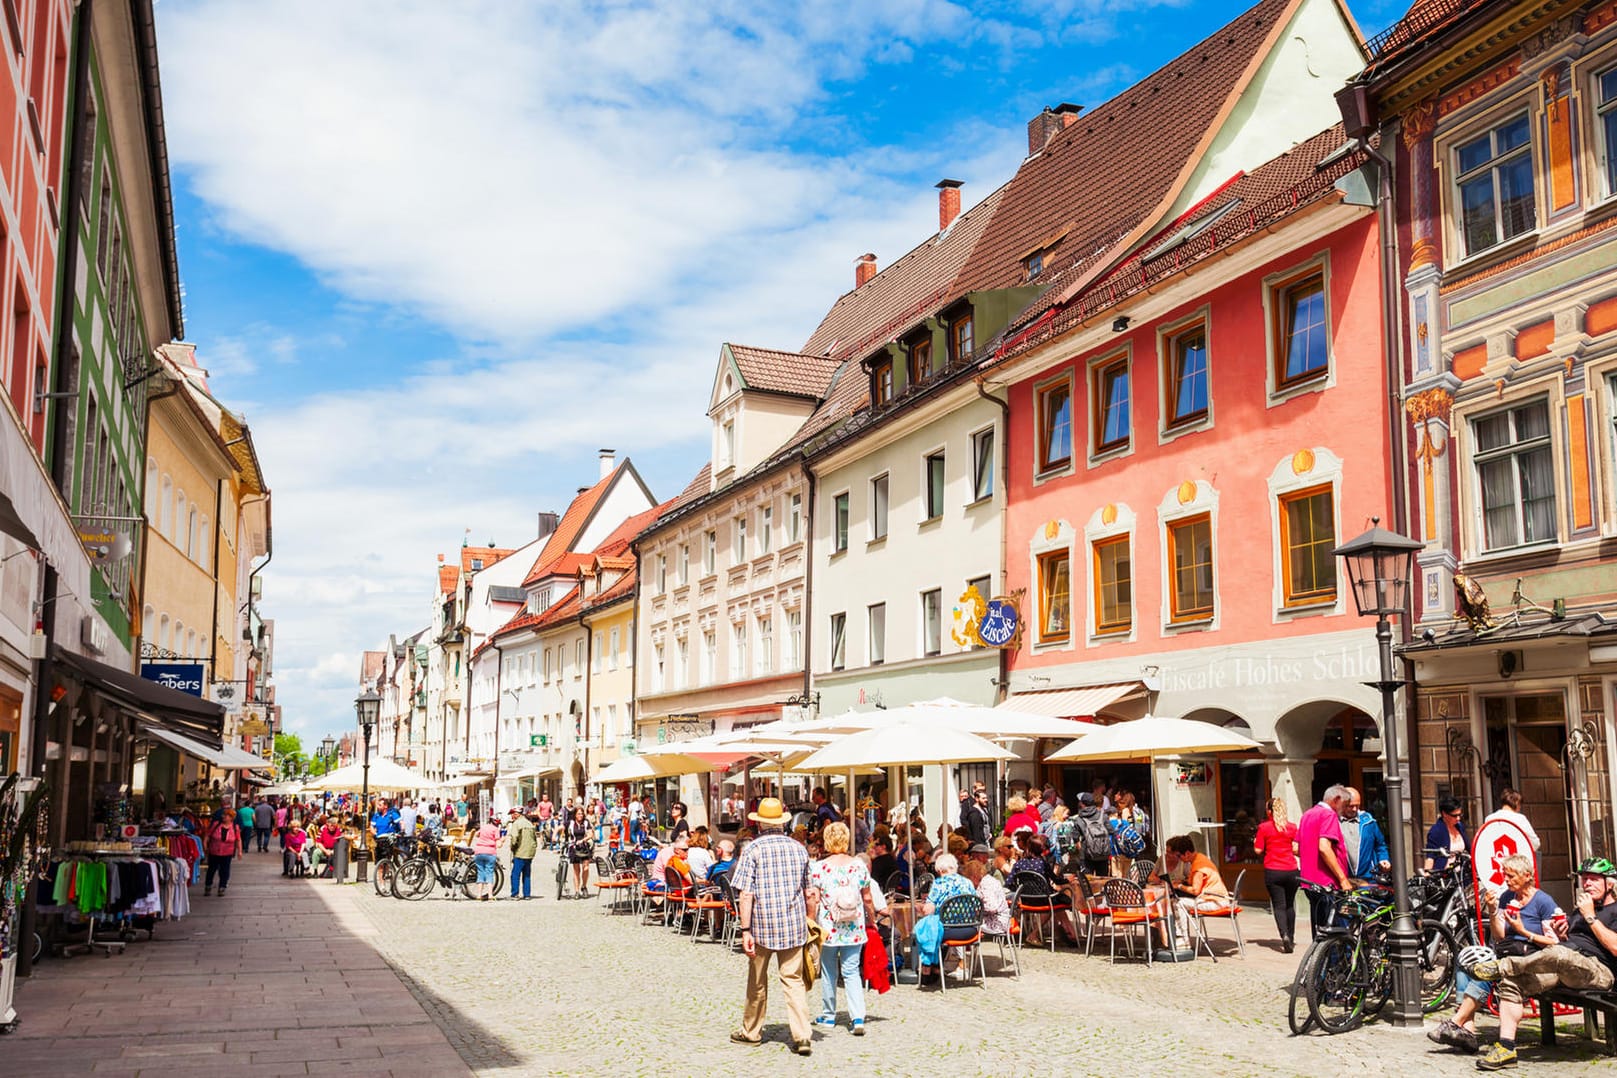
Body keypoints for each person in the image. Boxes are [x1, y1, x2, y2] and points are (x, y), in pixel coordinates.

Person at [1469, 857, 1617, 1070]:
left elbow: (1614, 948)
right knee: (1513, 981)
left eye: (1593, 879)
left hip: (1600, 972)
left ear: (1609, 883)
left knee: (1558, 954)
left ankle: (1501, 966)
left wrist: (1591, 918)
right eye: (1585, 879)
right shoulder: (1583, 909)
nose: (1587, 884)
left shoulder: (1605, 911)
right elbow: (1566, 942)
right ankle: (1506, 1048)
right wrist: (1561, 931)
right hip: (1566, 964)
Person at [1431, 854, 1557, 1055]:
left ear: (1526, 876)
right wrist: (1491, 909)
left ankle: (1456, 1022)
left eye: (1511, 876)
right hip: (1507, 952)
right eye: (1505, 875)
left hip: (1531, 957)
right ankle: (1468, 1030)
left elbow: (1555, 942)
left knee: (1489, 969)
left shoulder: (1543, 902)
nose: (1506, 880)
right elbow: (1499, 936)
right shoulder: (1508, 897)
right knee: (1466, 961)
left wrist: (1525, 932)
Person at [730, 797, 815, 1056]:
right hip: (793, 924)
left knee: (757, 981)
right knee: (793, 980)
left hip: (761, 926)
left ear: (760, 825)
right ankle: (802, 1035)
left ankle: (752, 1031)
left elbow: (746, 894)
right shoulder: (799, 849)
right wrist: (810, 920)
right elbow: (810, 892)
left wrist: (745, 930)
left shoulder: (753, 850)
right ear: (781, 823)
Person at [808, 821, 874, 1035]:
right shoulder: (858, 866)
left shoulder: (818, 867)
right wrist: (872, 919)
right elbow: (868, 897)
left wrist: (811, 922)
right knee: (852, 971)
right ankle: (857, 1017)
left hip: (829, 927)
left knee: (829, 971)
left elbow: (814, 899)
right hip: (854, 926)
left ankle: (828, 1016)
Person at [1298, 785, 1354, 935]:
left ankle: (1318, 957)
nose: (1345, 809)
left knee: (1319, 931)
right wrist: (1342, 879)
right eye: (1345, 804)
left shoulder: (1307, 814)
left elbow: (1296, 847)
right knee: (1334, 933)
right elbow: (1323, 847)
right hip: (1327, 883)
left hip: (1310, 882)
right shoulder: (1328, 815)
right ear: (1336, 800)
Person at [1160, 834, 1231, 947]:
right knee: (1179, 900)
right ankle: (1180, 936)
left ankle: (1183, 938)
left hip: (1214, 901)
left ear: (1187, 853)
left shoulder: (1198, 866)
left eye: (1179, 856)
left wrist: (1178, 886)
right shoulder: (1200, 857)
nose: (1179, 859)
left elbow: (1195, 890)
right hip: (1217, 898)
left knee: (1178, 903)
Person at [1251, 798, 1301, 952]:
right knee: (1290, 905)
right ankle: (1291, 938)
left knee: (1279, 906)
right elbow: (1297, 849)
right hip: (1292, 870)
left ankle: (1284, 934)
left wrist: (1256, 842)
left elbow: (1258, 850)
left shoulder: (1264, 827)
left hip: (1273, 870)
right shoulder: (1292, 827)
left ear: (1269, 811)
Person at [1341, 787, 1391, 881]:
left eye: (1357, 806)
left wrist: (1384, 859)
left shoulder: (1368, 821)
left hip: (1368, 877)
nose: (1354, 809)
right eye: (1350, 806)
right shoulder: (1333, 822)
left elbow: (1380, 845)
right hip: (1343, 878)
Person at [960, 858, 1011, 937]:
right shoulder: (989, 879)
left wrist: (977, 909)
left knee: (963, 925)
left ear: (973, 876)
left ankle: (967, 947)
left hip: (996, 923)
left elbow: (992, 907)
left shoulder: (986, 885)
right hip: (1003, 920)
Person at [1070, 792, 1112, 877]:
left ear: (1082, 803)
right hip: (1103, 853)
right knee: (1103, 879)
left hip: (1086, 855)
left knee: (1087, 881)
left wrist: (1079, 847)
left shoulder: (1079, 818)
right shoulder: (1102, 815)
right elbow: (1111, 830)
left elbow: (1075, 836)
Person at [203, 808, 243, 895]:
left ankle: (222, 887)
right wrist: (205, 845)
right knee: (211, 869)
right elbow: (207, 835)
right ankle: (208, 886)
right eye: (223, 815)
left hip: (227, 852)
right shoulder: (216, 824)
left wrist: (240, 851)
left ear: (231, 817)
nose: (223, 816)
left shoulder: (235, 827)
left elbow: (238, 839)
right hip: (214, 851)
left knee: (224, 870)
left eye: (226, 815)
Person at [1424, 796, 1468, 873]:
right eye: (1454, 816)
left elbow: (1469, 848)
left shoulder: (1459, 826)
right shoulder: (1436, 831)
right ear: (1444, 814)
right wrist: (1427, 874)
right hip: (1445, 876)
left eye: (1460, 815)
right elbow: (1430, 856)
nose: (1458, 818)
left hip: (1461, 874)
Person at [506, 806, 538, 900]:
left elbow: (514, 837)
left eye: (512, 814)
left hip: (520, 852)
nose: (512, 817)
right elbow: (534, 839)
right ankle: (527, 894)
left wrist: (512, 846)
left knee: (515, 874)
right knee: (527, 874)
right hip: (529, 853)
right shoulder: (529, 823)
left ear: (516, 814)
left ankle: (515, 894)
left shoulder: (517, 823)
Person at [470, 815, 501, 901]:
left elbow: (476, 834)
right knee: (489, 873)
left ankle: (479, 895)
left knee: (480, 873)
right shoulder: (495, 829)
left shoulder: (483, 827)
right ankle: (490, 895)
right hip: (490, 853)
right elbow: (498, 844)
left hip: (479, 851)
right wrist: (502, 841)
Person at [566, 804, 593, 897]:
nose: (580, 815)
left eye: (581, 814)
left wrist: (583, 840)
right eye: (578, 814)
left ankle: (584, 886)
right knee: (576, 871)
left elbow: (590, 834)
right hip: (574, 847)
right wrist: (555, 835)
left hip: (584, 847)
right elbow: (561, 827)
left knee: (586, 868)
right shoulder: (571, 823)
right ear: (575, 815)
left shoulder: (586, 822)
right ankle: (577, 891)